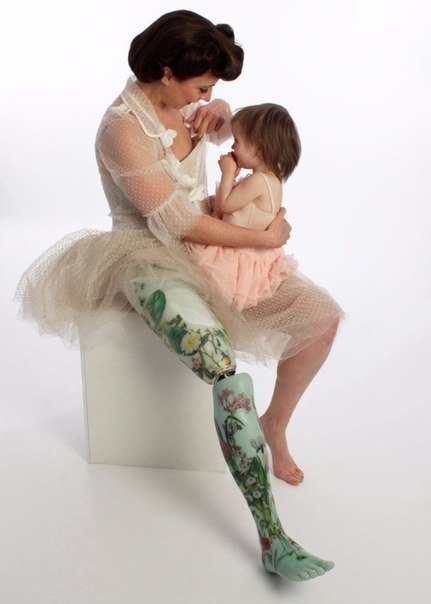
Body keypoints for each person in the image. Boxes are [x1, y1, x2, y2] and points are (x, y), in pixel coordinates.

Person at [15, 10, 342, 581]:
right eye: (202, 86)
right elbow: (177, 223)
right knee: (221, 366)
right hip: (149, 253)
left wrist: (220, 112)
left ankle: (275, 426)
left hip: (216, 251)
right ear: (166, 73)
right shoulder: (122, 129)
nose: (206, 96)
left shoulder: (186, 105)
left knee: (322, 319)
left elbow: (222, 134)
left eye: (211, 89)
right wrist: (263, 237)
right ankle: (272, 536)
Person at [188, 102, 301, 312]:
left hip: (235, 257)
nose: (232, 147)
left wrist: (227, 173)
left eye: (237, 141)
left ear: (259, 149)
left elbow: (226, 205)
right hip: (251, 252)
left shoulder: (259, 181)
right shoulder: (270, 179)